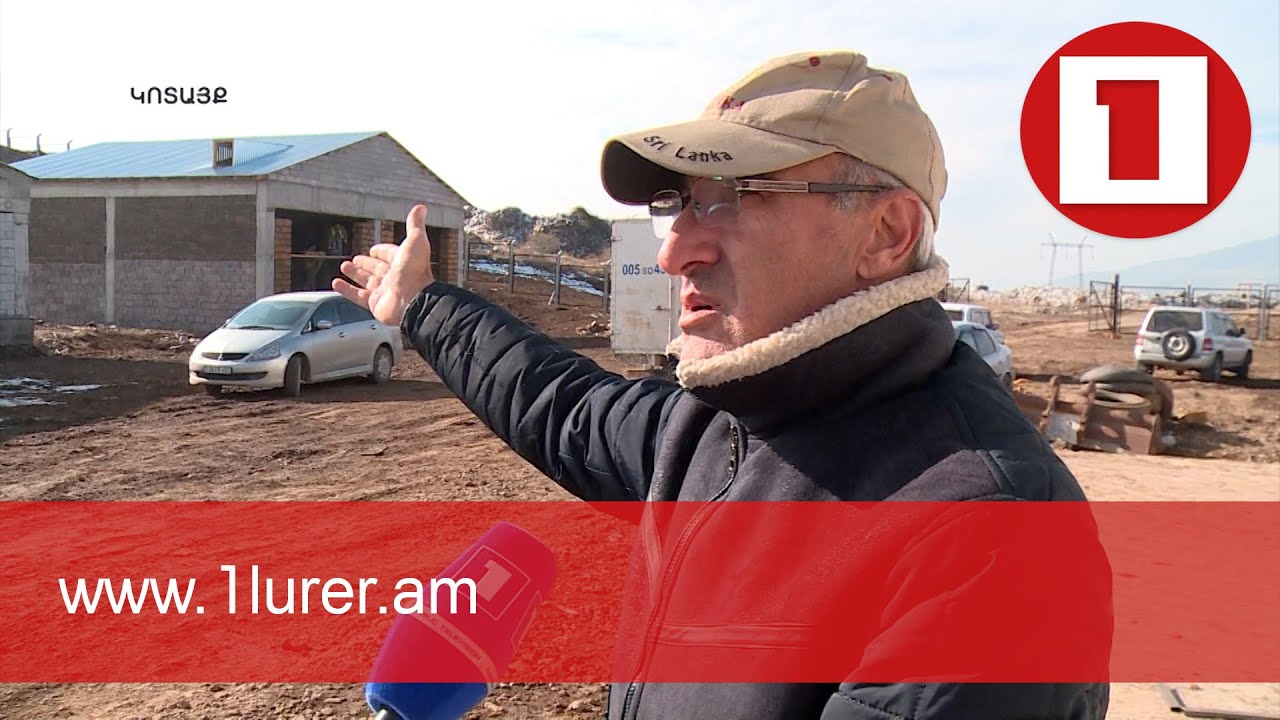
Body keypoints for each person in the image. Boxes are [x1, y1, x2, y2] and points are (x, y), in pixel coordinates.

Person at [336, 50, 1111, 719]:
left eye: (732, 197)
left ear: (885, 233)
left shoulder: (991, 539)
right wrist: (420, 305)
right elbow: (556, 400)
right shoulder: (716, 428)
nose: (674, 251)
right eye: (677, 203)